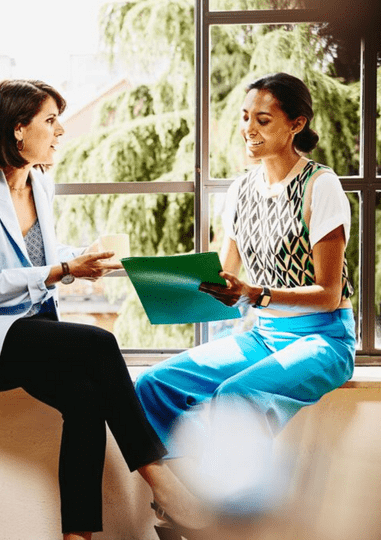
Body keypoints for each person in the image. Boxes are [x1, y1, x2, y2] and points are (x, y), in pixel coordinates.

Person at [0, 79, 203, 540]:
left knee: (86, 400)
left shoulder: (41, 184)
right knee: (100, 341)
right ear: (18, 129)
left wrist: (81, 261)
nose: (60, 131)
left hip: (33, 330)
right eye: (50, 120)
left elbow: (36, 258)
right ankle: (163, 483)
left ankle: (78, 537)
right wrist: (62, 269)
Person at [135, 72, 356, 523]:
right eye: (244, 118)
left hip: (324, 340)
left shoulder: (320, 185)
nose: (248, 130)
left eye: (262, 120)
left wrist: (256, 294)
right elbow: (225, 276)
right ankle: (186, 499)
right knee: (152, 385)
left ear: (296, 124)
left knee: (237, 395)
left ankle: (226, 514)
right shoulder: (239, 191)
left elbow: (330, 294)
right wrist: (180, 284)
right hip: (264, 335)